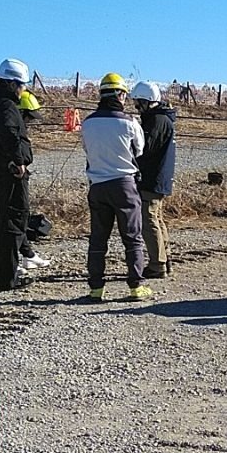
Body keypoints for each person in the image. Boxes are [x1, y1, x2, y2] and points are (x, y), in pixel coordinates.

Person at [0, 58, 49, 292]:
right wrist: (19, 161)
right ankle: (7, 278)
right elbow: (11, 134)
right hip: (9, 173)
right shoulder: (7, 107)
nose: (23, 90)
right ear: (14, 83)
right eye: (23, 85)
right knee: (14, 222)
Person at [81, 72, 152, 301]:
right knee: (132, 237)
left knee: (98, 238)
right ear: (121, 95)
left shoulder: (88, 123)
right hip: (124, 185)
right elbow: (139, 150)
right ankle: (136, 286)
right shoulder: (130, 122)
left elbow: (87, 150)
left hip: (97, 185)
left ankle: (95, 289)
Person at [131, 81, 176, 279]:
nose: (136, 107)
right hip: (159, 177)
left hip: (152, 178)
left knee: (148, 220)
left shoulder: (156, 121)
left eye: (138, 103)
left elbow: (144, 149)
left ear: (147, 101)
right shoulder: (162, 118)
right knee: (156, 218)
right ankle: (165, 259)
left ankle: (157, 264)